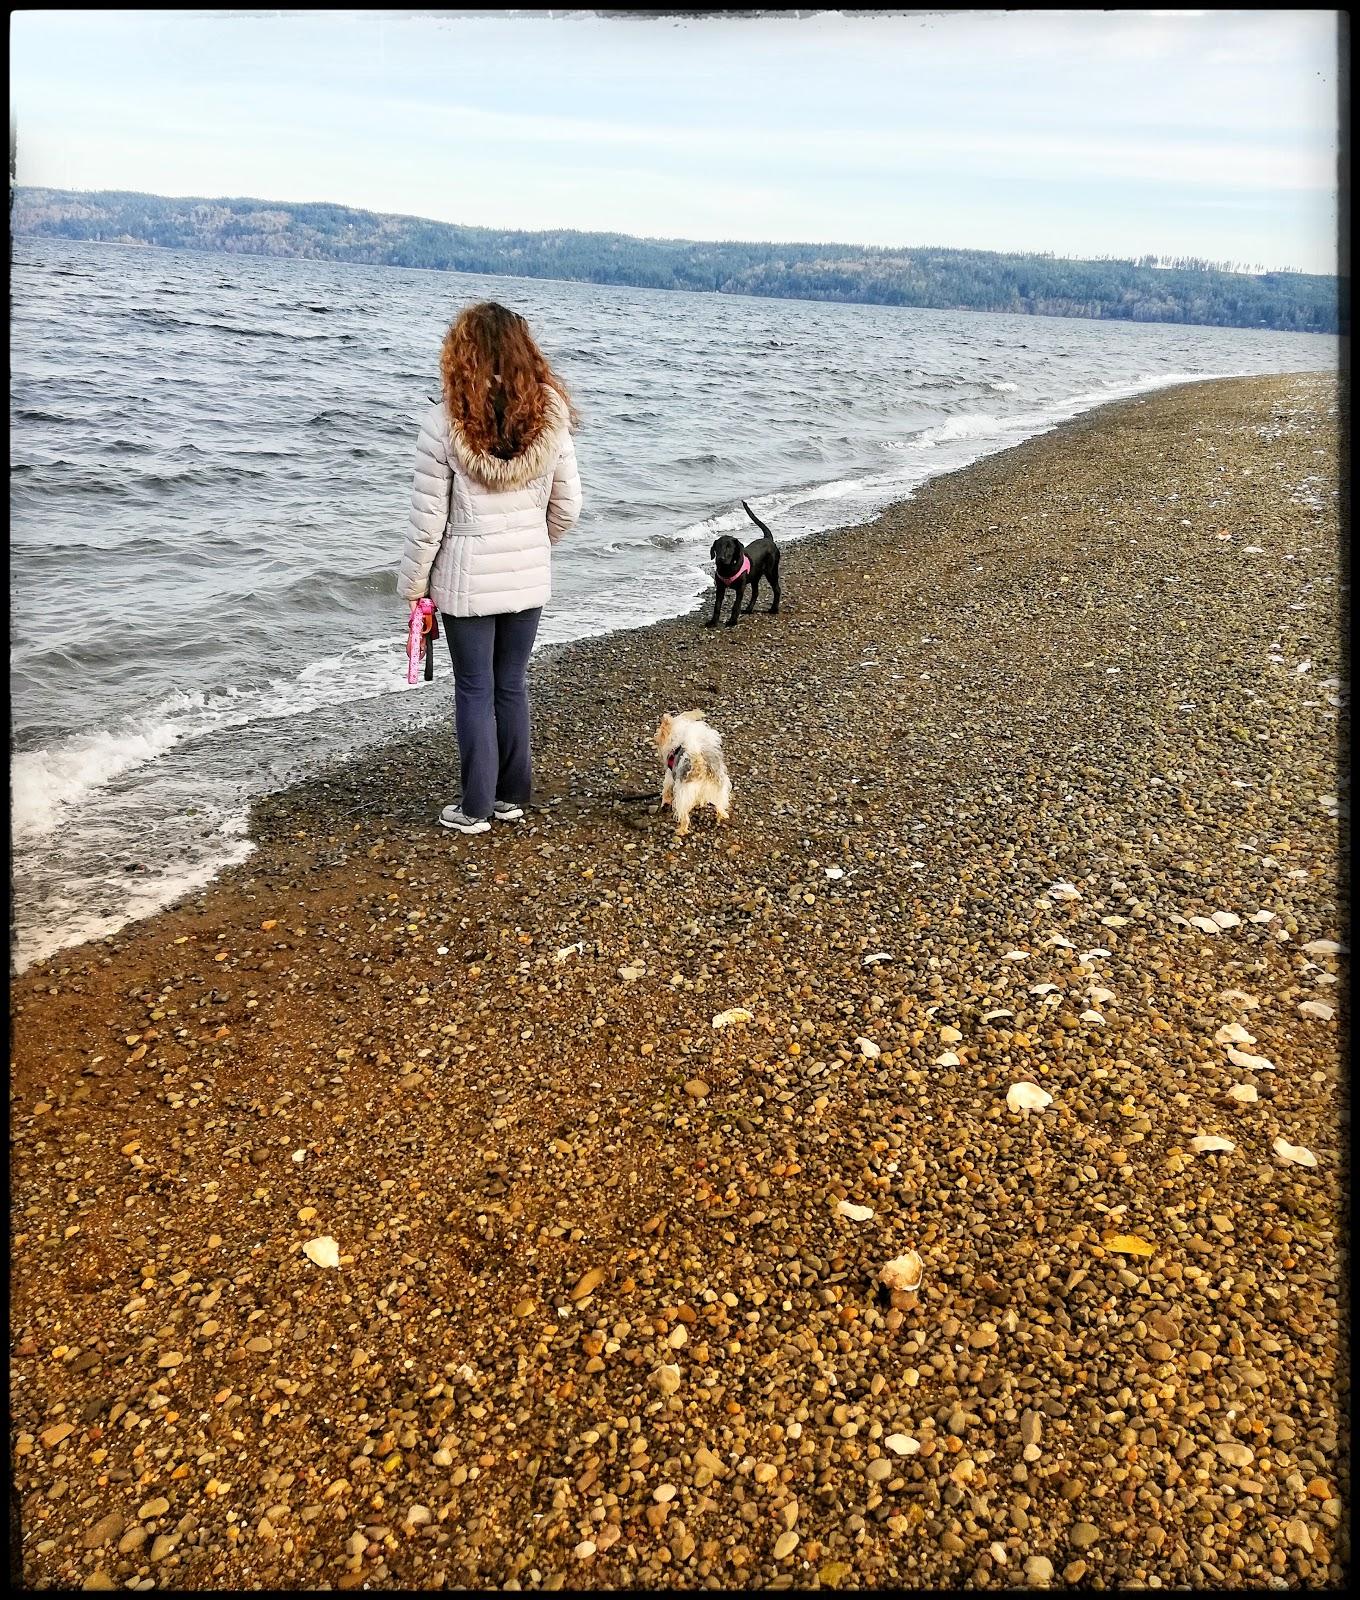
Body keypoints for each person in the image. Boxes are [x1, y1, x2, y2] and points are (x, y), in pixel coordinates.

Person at [399, 302, 582, 834]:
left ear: (462, 353)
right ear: (524, 350)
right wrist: (531, 544)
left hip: (466, 581)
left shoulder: (443, 421)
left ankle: (475, 808)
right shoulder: (549, 416)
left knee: (474, 688)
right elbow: (568, 507)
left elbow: (427, 522)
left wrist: (414, 586)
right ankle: (512, 795)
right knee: (511, 684)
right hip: (529, 579)